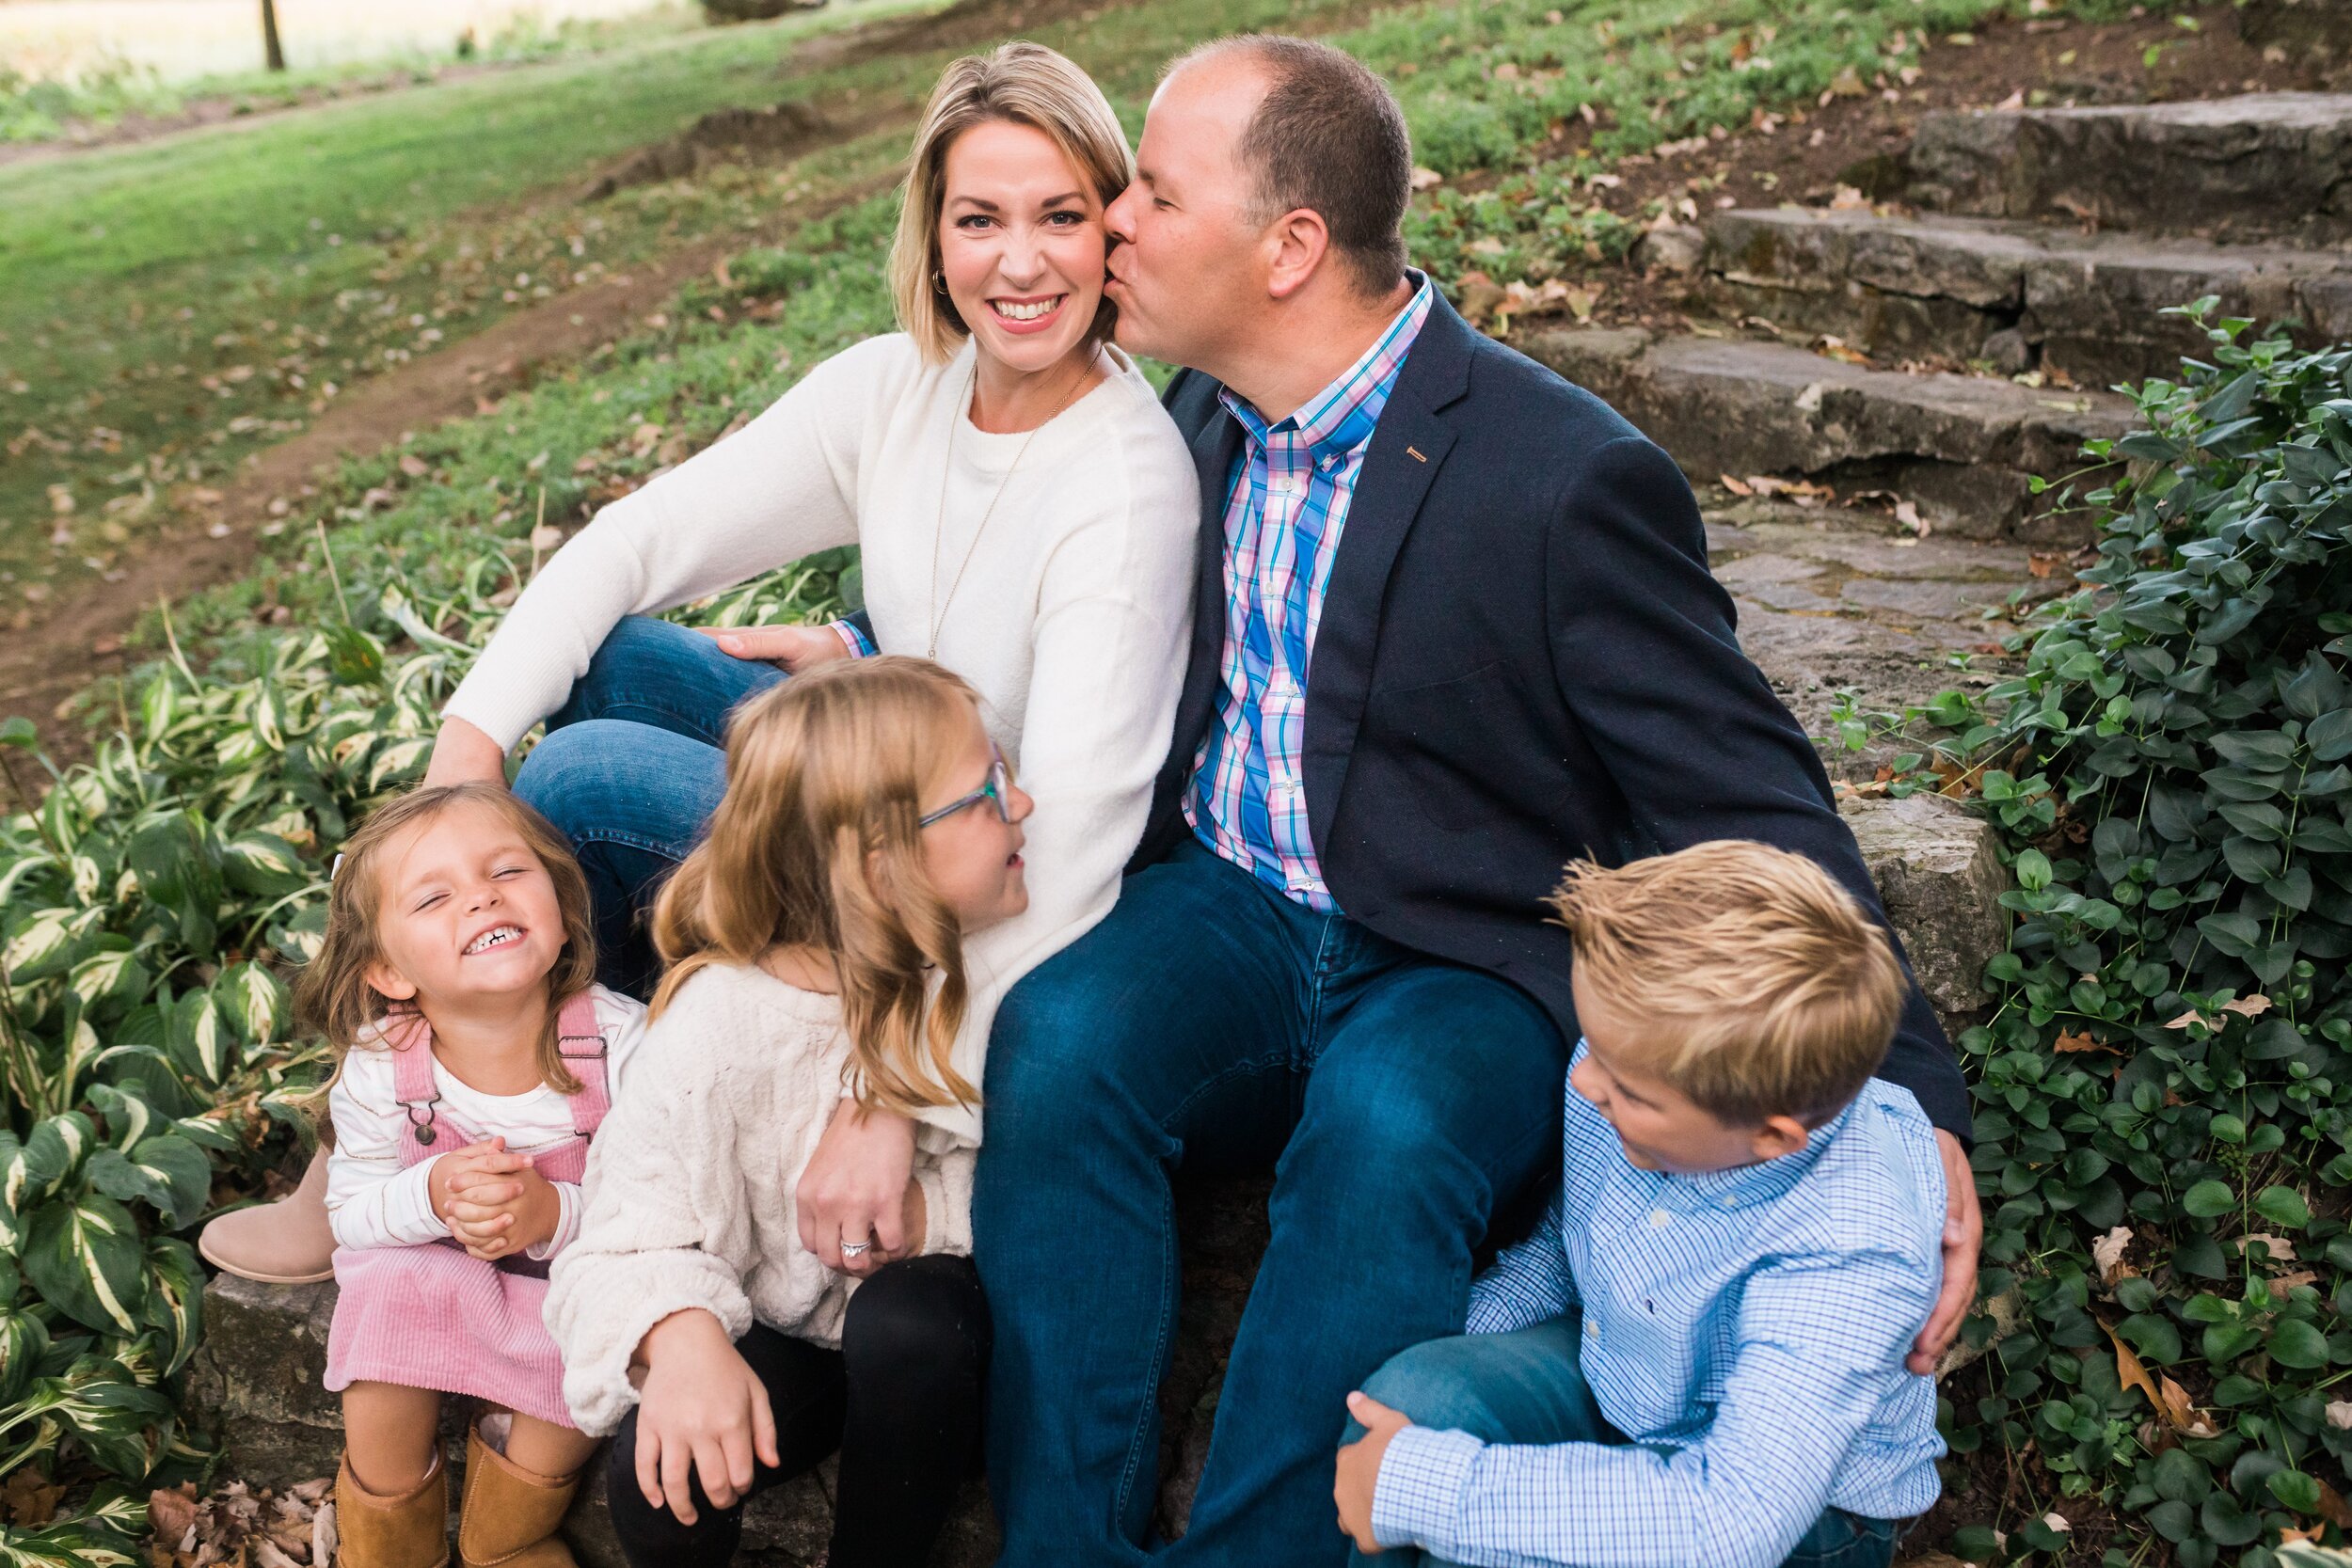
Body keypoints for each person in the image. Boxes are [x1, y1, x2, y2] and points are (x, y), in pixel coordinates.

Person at [970, 34, 1982, 1567]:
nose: (1107, 221)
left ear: (1290, 246)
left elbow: (1750, 795)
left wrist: (1908, 1106)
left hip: (1468, 951)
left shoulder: (1562, 480)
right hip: (1233, 902)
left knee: (1388, 1125)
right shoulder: (1186, 416)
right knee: (1058, 1040)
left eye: (1151, 197)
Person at [203, 39, 1197, 1287]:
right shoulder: (903, 387)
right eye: (978, 216)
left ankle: (572, 1146)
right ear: (932, 233)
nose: (1019, 260)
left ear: (1108, 227)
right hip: (870, 785)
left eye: (1060, 215)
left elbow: (1072, 848)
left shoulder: (1126, 481)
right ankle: (436, 1107)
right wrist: (463, 751)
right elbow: (644, 536)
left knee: (586, 779)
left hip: (949, 882)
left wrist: (895, 1079)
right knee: (608, 663)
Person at [1333, 841, 1945, 1568]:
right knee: (1413, 1405)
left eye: (1628, 1088)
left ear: (1769, 1136)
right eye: (1593, 1043)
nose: (1588, 1082)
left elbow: (1732, 1521)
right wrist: (1441, 1341)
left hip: (1799, 1519)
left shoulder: (1853, 1247)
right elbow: (1570, 1244)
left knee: (1482, 1534)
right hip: (1621, 1376)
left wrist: (1427, 1487)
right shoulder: (1632, 1068)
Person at [545, 658, 1021, 1567]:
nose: (1026, 802)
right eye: (990, 790)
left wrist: (934, 1217)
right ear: (883, 868)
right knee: (655, 1469)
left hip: (942, 1365)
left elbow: (1042, 1186)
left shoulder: (991, 981)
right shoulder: (714, 1023)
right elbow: (615, 1239)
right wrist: (676, 1338)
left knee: (907, 1323)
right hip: (790, 1339)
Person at [306, 783, 649, 1568]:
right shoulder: (381, 1065)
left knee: (611, 1327)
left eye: (507, 871)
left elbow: (666, 1209)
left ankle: (509, 1537)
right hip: (439, 1273)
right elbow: (352, 1214)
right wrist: (429, 1193)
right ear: (388, 970)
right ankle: (390, 1541)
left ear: (562, 907)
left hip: (580, 1277)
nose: (483, 897)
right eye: (435, 895)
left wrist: (551, 1214)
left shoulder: (623, 1044)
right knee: (384, 1286)